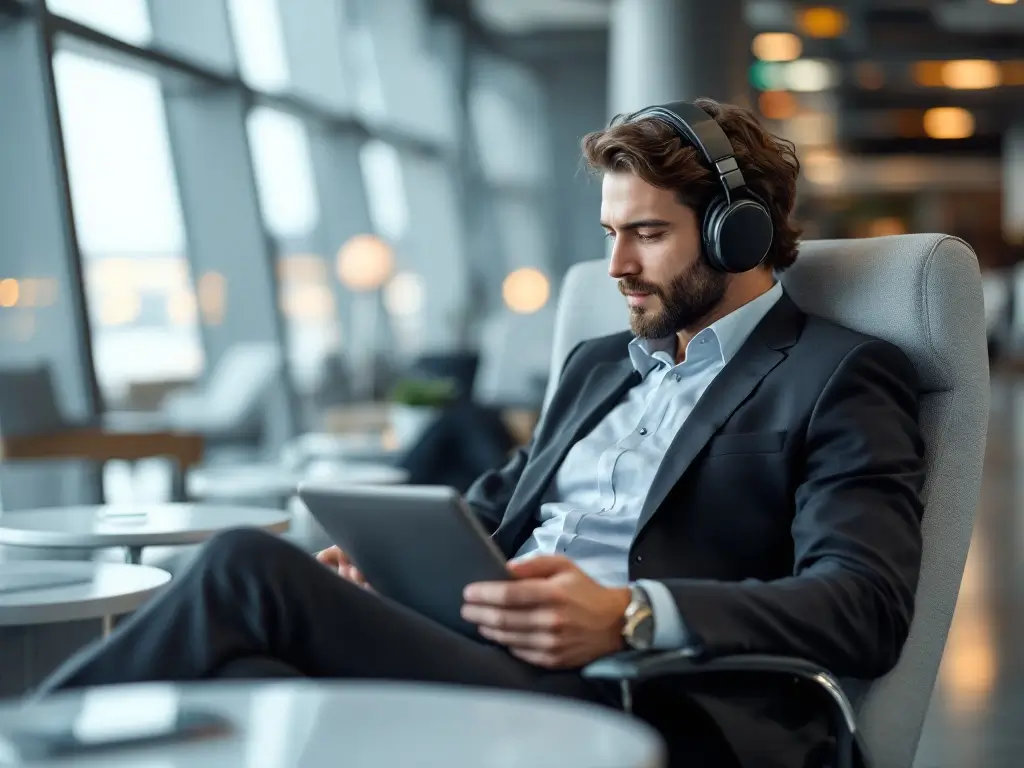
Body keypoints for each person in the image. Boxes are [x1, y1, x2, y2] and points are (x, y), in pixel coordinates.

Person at [34, 99, 924, 768]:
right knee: (241, 687)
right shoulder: (598, 365)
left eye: (648, 235)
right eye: (611, 233)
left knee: (243, 565)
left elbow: (865, 605)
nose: (616, 266)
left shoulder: (837, 375)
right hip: (488, 650)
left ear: (741, 235)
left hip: (640, 690)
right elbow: (493, 509)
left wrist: (632, 615)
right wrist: (391, 568)